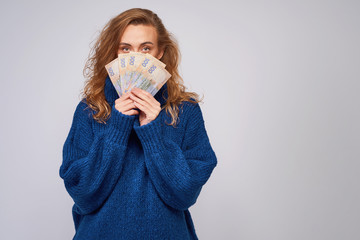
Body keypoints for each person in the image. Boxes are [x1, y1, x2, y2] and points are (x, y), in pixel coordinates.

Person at [59, 8, 217, 240]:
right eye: (126, 48)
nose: (137, 57)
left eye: (146, 48)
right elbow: (83, 194)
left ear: (160, 52)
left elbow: (184, 194)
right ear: (114, 52)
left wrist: (153, 131)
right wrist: (117, 127)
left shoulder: (186, 110)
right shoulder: (90, 109)